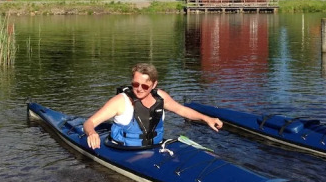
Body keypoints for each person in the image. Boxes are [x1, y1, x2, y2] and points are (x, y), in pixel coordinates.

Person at [83, 63, 223, 149]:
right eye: (135, 84)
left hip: (155, 146)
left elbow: (181, 110)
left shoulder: (160, 96)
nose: (139, 89)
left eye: (145, 85)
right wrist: (92, 132)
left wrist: (207, 119)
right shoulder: (121, 101)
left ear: (154, 84)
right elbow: (89, 122)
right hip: (125, 150)